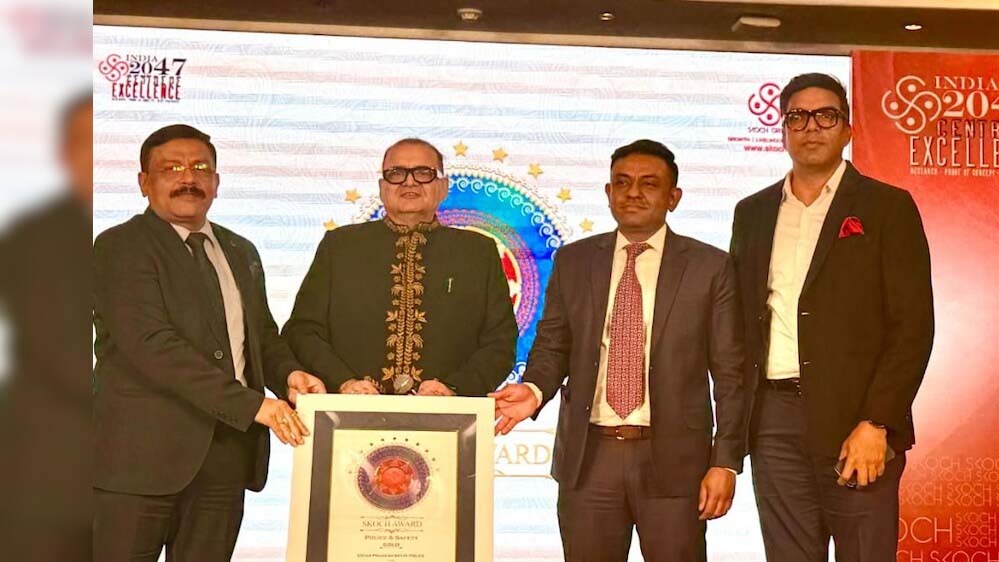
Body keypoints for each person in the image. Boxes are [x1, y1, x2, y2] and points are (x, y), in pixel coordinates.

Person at [491, 139, 746, 561]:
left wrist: (726, 461)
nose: (633, 193)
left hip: (676, 463)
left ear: (674, 197)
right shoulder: (574, 261)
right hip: (589, 459)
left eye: (649, 184)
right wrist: (534, 389)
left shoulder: (709, 267)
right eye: (622, 183)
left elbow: (731, 372)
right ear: (608, 193)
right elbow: (553, 344)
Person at [93, 124, 326, 562]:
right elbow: (151, 345)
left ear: (217, 182)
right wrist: (254, 406)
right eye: (171, 168)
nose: (188, 178)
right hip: (139, 460)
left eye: (201, 168)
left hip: (226, 456)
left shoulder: (240, 250)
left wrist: (289, 377)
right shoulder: (120, 247)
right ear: (144, 182)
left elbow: (260, 335)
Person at [729, 73, 934, 562]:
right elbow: (740, 321)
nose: (811, 127)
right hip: (774, 421)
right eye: (797, 117)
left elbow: (912, 327)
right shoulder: (752, 213)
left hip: (857, 420)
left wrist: (877, 421)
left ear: (847, 129)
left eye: (825, 115)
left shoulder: (887, 207)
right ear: (783, 130)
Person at [283, 138, 517, 396]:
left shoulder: (477, 252)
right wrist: (343, 382)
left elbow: (500, 343)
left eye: (423, 172)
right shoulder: (340, 246)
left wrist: (453, 389)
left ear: (443, 187)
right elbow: (303, 331)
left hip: (447, 413)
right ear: (382, 187)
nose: (409, 182)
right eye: (396, 173)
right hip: (348, 409)